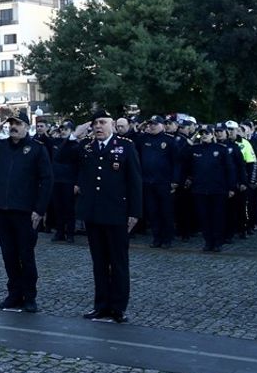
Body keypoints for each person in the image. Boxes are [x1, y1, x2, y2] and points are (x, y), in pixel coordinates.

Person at [61, 111, 142, 323]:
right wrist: (73, 136)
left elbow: (134, 181)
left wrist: (135, 212)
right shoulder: (86, 146)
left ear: (112, 125)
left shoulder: (125, 146)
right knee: (99, 262)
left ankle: (118, 307)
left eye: (103, 122)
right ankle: (101, 305)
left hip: (117, 213)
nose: (98, 126)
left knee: (118, 263)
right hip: (93, 213)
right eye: (96, 123)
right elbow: (61, 157)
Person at [0, 109, 53, 313]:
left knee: (26, 255)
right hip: (3, 209)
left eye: (18, 124)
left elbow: (47, 180)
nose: (13, 127)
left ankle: (30, 295)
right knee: (8, 255)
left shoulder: (36, 149)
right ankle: (14, 293)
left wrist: (40, 209)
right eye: (11, 124)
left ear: (26, 127)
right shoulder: (1, 146)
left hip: (26, 211)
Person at [183, 125, 236, 252]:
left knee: (218, 217)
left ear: (212, 135)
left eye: (207, 133)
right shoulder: (195, 149)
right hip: (200, 189)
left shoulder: (221, 149)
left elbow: (230, 169)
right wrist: (191, 141)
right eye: (202, 133)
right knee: (203, 217)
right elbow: (182, 158)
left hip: (218, 189)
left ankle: (218, 242)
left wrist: (231, 187)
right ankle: (208, 242)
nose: (204, 135)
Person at [136, 116, 179, 249]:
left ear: (161, 125)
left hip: (164, 182)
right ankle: (156, 238)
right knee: (152, 212)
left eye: (155, 124)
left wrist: (175, 180)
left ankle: (167, 239)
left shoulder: (169, 140)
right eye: (150, 124)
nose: (152, 126)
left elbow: (177, 162)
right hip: (148, 182)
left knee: (165, 211)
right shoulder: (144, 139)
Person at [49, 120, 78, 243]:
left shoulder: (74, 144)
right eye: (62, 129)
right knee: (58, 207)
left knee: (69, 208)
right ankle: (59, 232)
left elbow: (78, 165)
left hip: (69, 180)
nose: (63, 131)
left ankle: (70, 233)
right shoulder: (56, 142)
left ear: (71, 131)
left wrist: (77, 183)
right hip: (57, 179)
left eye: (66, 129)